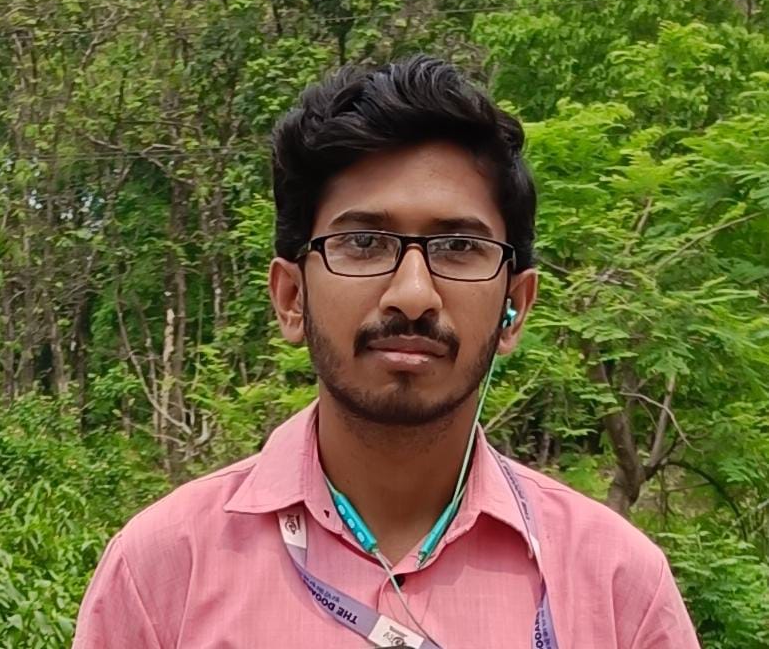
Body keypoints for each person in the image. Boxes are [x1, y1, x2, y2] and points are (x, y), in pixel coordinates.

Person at [73, 56, 700, 648]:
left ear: (515, 306)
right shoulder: (162, 572)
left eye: (459, 247)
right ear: (291, 297)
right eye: (364, 243)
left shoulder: (616, 585)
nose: (413, 296)